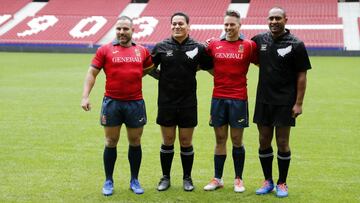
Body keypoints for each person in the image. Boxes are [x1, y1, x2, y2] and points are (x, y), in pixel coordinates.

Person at [81, 16, 153, 196]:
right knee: (111, 141)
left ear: (133, 30)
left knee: (135, 141)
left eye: (125, 29)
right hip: (112, 103)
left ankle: (134, 180)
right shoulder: (104, 50)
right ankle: (108, 180)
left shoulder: (142, 51)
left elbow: (148, 69)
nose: (121, 32)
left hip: (135, 103)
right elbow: (92, 73)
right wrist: (85, 96)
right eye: (119, 29)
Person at [251, 7, 311, 198]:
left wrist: (299, 103)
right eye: (271, 18)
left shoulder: (296, 44)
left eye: (278, 18)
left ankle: (282, 183)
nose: (274, 21)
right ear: (267, 20)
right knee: (263, 140)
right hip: (263, 99)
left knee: (282, 142)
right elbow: (240, 47)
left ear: (286, 19)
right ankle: (268, 181)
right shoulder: (259, 40)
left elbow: (302, 75)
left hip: (285, 101)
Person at [150, 12, 213, 192]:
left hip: (188, 102)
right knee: (168, 140)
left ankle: (187, 178)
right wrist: (162, 77)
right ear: (171, 26)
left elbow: (210, 67)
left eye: (181, 24)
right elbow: (149, 68)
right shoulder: (161, 47)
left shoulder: (198, 48)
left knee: (186, 141)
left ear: (188, 26)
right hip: (166, 102)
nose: (177, 26)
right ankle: (165, 177)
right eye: (174, 24)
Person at [203, 10, 258, 193]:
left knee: (236, 140)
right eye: (226, 24)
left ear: (239, 26)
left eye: (232, 24)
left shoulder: (249, 45)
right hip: (218, 98)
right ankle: (217, 178)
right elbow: (203, 63)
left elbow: (265, 64)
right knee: (220, 139)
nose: (228, 27)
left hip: (239, 99)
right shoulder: (214, 45)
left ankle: (238, 179)